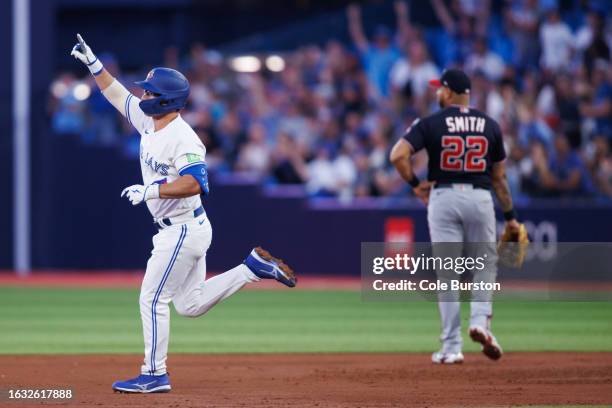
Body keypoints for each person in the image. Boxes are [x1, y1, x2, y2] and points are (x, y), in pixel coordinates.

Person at [70, 34, 297, 393]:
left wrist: (151, 190)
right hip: (184, 227)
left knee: (152, 298)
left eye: (148, 91)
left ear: (164, 100)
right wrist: (94, 64)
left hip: (182, 229)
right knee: (189, 305)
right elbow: (116, 95)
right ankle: (250, 268)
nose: (142, 95)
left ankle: (154, 373)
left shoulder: (184, 138)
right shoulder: (150, 123)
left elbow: (195, 183)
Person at [390, 69, 520, 364]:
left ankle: (451, 347)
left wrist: (415, 186)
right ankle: (479, 321)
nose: (437, 93)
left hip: (443, 196)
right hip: (479, 196)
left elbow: (397, 155)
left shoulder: (431, 122)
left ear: (448, 92)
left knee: (447, 273)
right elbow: (500, 178)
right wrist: (510, 216)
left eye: (439, 89)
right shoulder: (490, 125)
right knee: (485, 264)